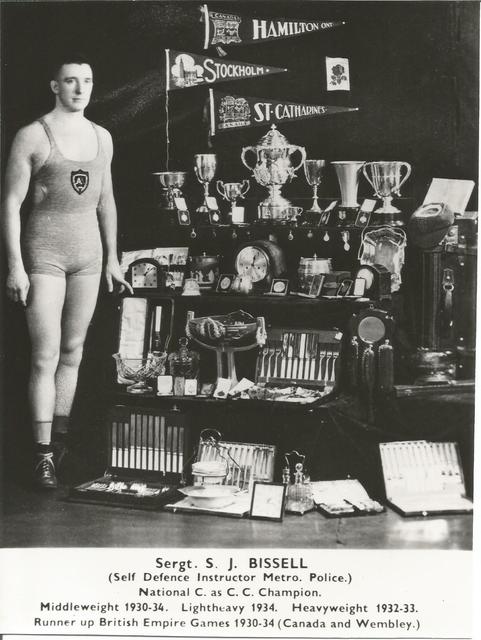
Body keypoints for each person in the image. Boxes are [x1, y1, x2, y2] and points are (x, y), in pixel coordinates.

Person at [2, 53, 133, 490]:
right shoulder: (32, 136)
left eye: (88, 81)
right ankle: (40, 455)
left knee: (74, 352)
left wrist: (114, 258)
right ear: (55, 86)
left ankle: (58, 447)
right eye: (71, 81)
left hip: (89, 259)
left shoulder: (103, 137)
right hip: (45, 257)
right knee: (46, 354)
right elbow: (10, 203)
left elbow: (107, 200)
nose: (80, 88)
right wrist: (15, 266)